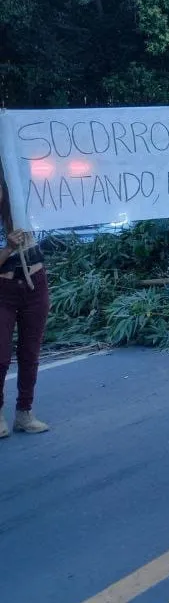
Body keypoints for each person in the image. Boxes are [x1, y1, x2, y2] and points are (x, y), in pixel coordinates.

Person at [0, 166, 51, 436]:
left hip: (35, 287)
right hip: (3, 291)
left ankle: (24, 413)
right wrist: (8, 246)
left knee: (30, 354)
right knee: (0, 356)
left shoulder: (26, 209)